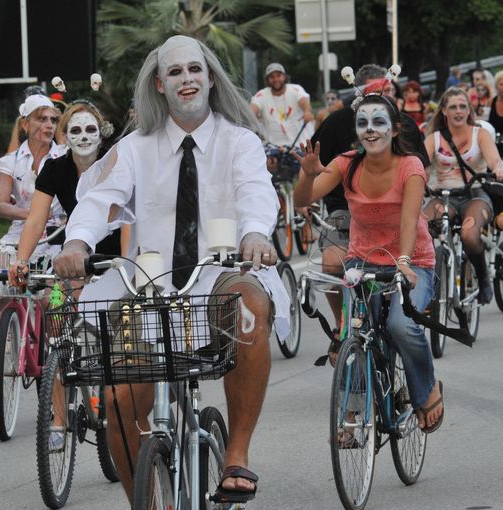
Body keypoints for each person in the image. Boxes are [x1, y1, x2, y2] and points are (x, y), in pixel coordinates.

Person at [52, 35, 290, 505]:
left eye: (195, 69)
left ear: (210, 77)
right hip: (150, 286)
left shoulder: (238, 140)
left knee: (248, 303)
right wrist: (76, 242)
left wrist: (256, 233)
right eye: (176, 72)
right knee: (120, 403)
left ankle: (236, 453)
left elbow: (255, 192)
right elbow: (99, 198)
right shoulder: (136, 147)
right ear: (160, 84)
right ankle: (145, 498)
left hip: (218, 273)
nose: (187, 79)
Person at [293, 93, 444, 433]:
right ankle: (354, 413)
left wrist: (404, 262)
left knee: (400, 325)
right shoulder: (347, 162)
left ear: (394, 129)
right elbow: (304, 198)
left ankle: (426, 387)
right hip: (362, 262)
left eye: (379, 123)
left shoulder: (411, 167)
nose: (370, 130)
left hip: (412, 261)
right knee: (353, 332)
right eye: (362, 124)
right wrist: (305, 174)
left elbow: (409, 222)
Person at [308, 64, 429, 360]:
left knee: (398, 321)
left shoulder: (403, 126)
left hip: (395, 213)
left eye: (389, 92)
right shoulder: (336, 123)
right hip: (343, 209)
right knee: (331, 263)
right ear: (360, 94)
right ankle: (342, 325)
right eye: (378, 92)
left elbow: (421, 169)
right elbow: (310, 168)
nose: (384, 98)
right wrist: (304, 190)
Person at [8, 100, 128, 284]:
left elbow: (128, 220)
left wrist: (126, 264)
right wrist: (21, 261)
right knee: (66, 301)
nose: (84, 137)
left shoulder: (116, 164)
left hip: (119, 252)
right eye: (76, 131)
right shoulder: (55, 169)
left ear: (100, 135)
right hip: (77, 251)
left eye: (90, 129)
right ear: (63, 136)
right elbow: (35, 220)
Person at [423, 87, 503, 304]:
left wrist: (497, 170)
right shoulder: (434, 138)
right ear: (444, 112)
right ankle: (425, 281)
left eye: (462, 106)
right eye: (453, 107)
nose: (458, 111)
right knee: (419, 227)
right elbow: (420, 166)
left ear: (469, 110)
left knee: (469, 233)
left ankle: (483, 277)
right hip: (444, 196)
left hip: (476, 195)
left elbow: (495, 160)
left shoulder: (481, 134)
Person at [0, 94, 66, 260]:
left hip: (58, 230)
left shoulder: (66, 157)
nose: (49, 125)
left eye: (53, 120)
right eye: (42, 119)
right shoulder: (10, 161)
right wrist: (33, 215)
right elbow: (1, 205)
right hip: (21, 229)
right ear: (25, 124)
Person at [250, 62, 314, 148]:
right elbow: (252, 109)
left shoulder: (295, 89)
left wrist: (307, 112)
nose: (276, 79)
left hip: (300, 144)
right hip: (274, 146)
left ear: (284, 77)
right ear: (267, 80)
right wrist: (248, 116)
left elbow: (303, 102)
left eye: (278, 75)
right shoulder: (262, 94)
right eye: (272, 77)